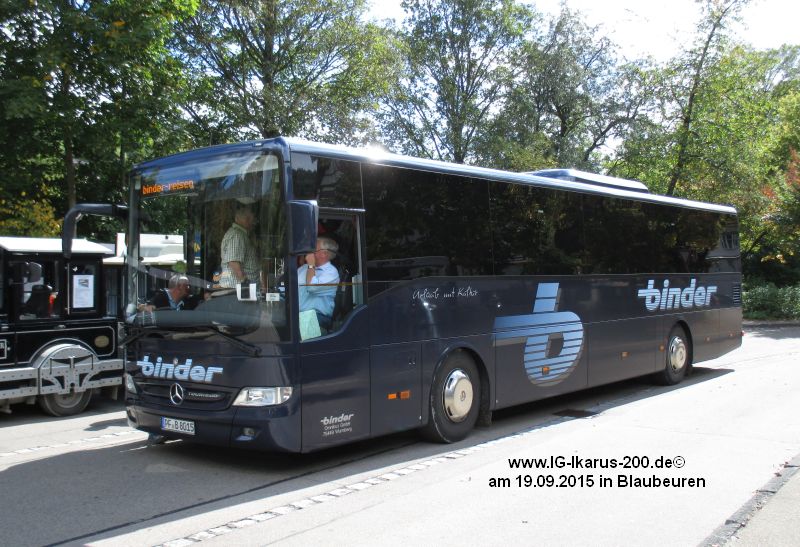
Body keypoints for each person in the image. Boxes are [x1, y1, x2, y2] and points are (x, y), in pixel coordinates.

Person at [298, 236, 340, 331]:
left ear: (324, 254)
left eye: (314, 249)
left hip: (315, 317)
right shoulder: (303, 268)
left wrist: (311, 265)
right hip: (297, 315)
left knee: (302, 332)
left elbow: (311, 287)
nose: (310, 251)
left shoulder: (331, 273)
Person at [219, 203, 259, 288]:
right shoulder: (237, 235)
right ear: (247, 219)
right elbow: (233, 261)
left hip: (238, 289)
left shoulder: (239, 234)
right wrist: (244, 282)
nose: (253, 223)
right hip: (236, 289)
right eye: (252, 219)